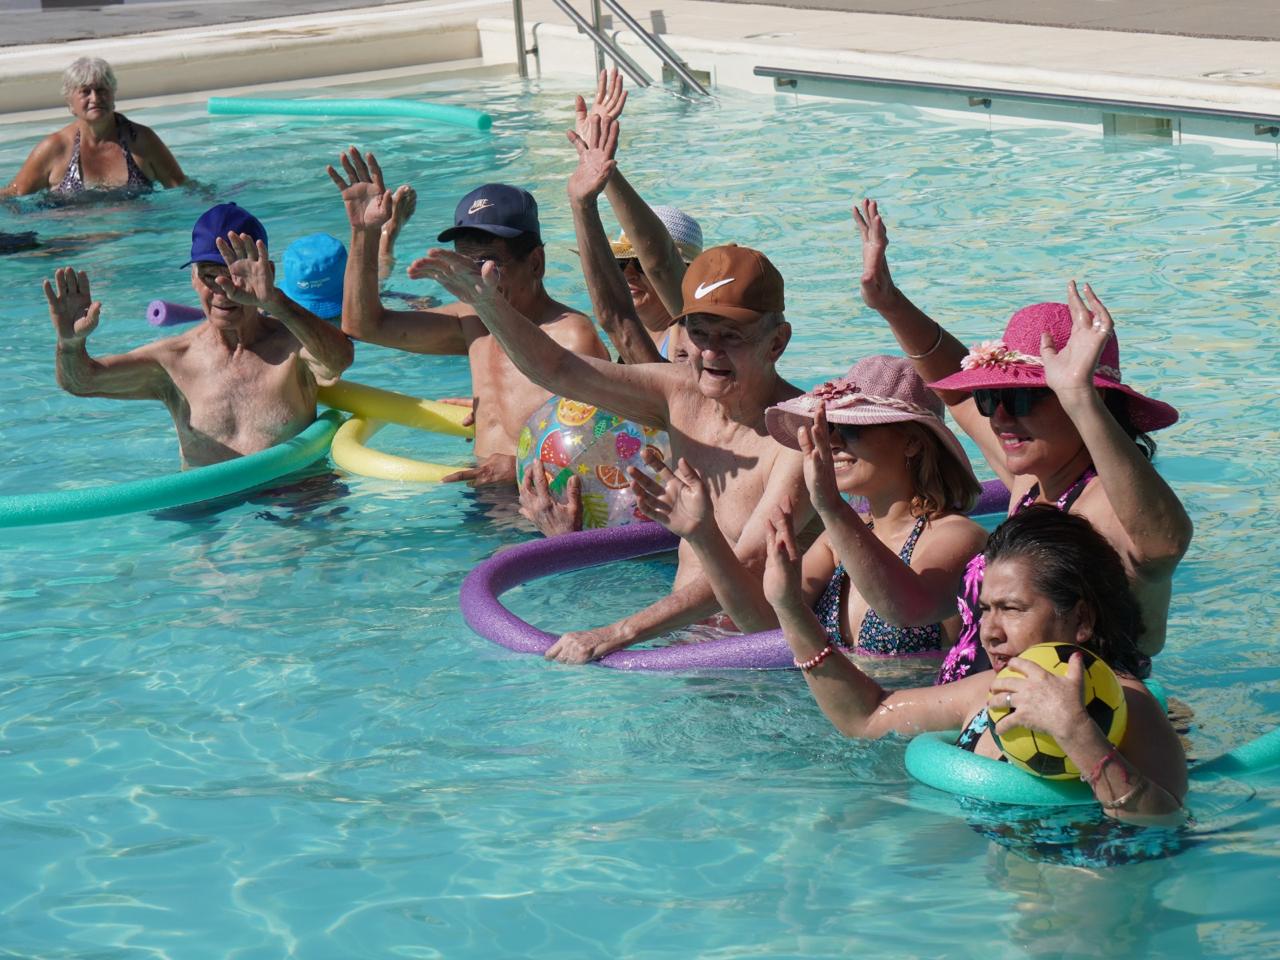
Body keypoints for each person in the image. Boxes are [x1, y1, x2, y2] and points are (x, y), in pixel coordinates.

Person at [413, 208, 815, 663]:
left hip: (769, 663)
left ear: (777, 342)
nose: (710, 352)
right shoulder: (681, 393)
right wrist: (488, 304)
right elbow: (560, 370)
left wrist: (620, 632)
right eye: (700, 333)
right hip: (682, 645)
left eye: (731, 337)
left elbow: (750, 568)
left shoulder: (797, 437)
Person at [853, 199, 1191, 680]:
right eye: (991, 397)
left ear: (1087, 400)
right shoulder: (1033, 481)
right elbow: (953, 388)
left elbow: (1166, 544)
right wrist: (890, 303)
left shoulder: (1108, 505)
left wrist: (1079, 395)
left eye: (1023, 398)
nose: (1000, 416)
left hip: (1081, 716)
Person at [763, 502, 1187, 825]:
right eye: (985, 609)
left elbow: (1164, 823)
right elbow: (867, 717)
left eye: (1012, 609)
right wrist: (789, 609)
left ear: (1082, 619)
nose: (990, 632)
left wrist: (1076, 730)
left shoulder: (1128, 708)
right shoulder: (989, 690)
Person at [631, 355, 987, 657]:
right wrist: (704, 536)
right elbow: (766, 626)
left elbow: (905, 610)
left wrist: (830, 505)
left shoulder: (959, 537)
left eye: (853, 429)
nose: (833, 442)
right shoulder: (835, 542)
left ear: (913, 443)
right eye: (829, 427)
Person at [328, 148, 609, 486]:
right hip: (479, 494)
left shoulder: (572, 337)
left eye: (489, 263)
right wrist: (364, 232)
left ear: (536, 263)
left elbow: (608, 449)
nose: (475, 279)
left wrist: (519, 468)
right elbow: (364, 325)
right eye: (465, 263)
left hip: (545, 500)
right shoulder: (473, 321)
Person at [519, 95, 703, 537]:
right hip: (610, 518)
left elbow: (625, 306)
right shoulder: (625, 349)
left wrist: (598, 186)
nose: (629, 275)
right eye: (620, 264)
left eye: (638, 264)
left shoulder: (694, 342)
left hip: (662, 530)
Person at [46, 203, 353, 467]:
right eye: (208, 275)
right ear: (193, 278)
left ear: (266, 274)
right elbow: (81, 381)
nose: (223, 289)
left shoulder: (294, 347)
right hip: (210, 508)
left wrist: (274, 301)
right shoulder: (174, 362)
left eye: (235, 275)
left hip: (295, 500)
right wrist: (70, 343)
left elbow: (340, 360)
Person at [2, 57, 184, 199]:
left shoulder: (141, 141)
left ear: (113, 95)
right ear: (70, 102)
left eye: (102, 90)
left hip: (138, 234)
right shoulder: (55, 148)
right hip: (70, 234)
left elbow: (184, 189)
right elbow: (14, 194)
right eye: (85, 91)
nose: (95, 98)